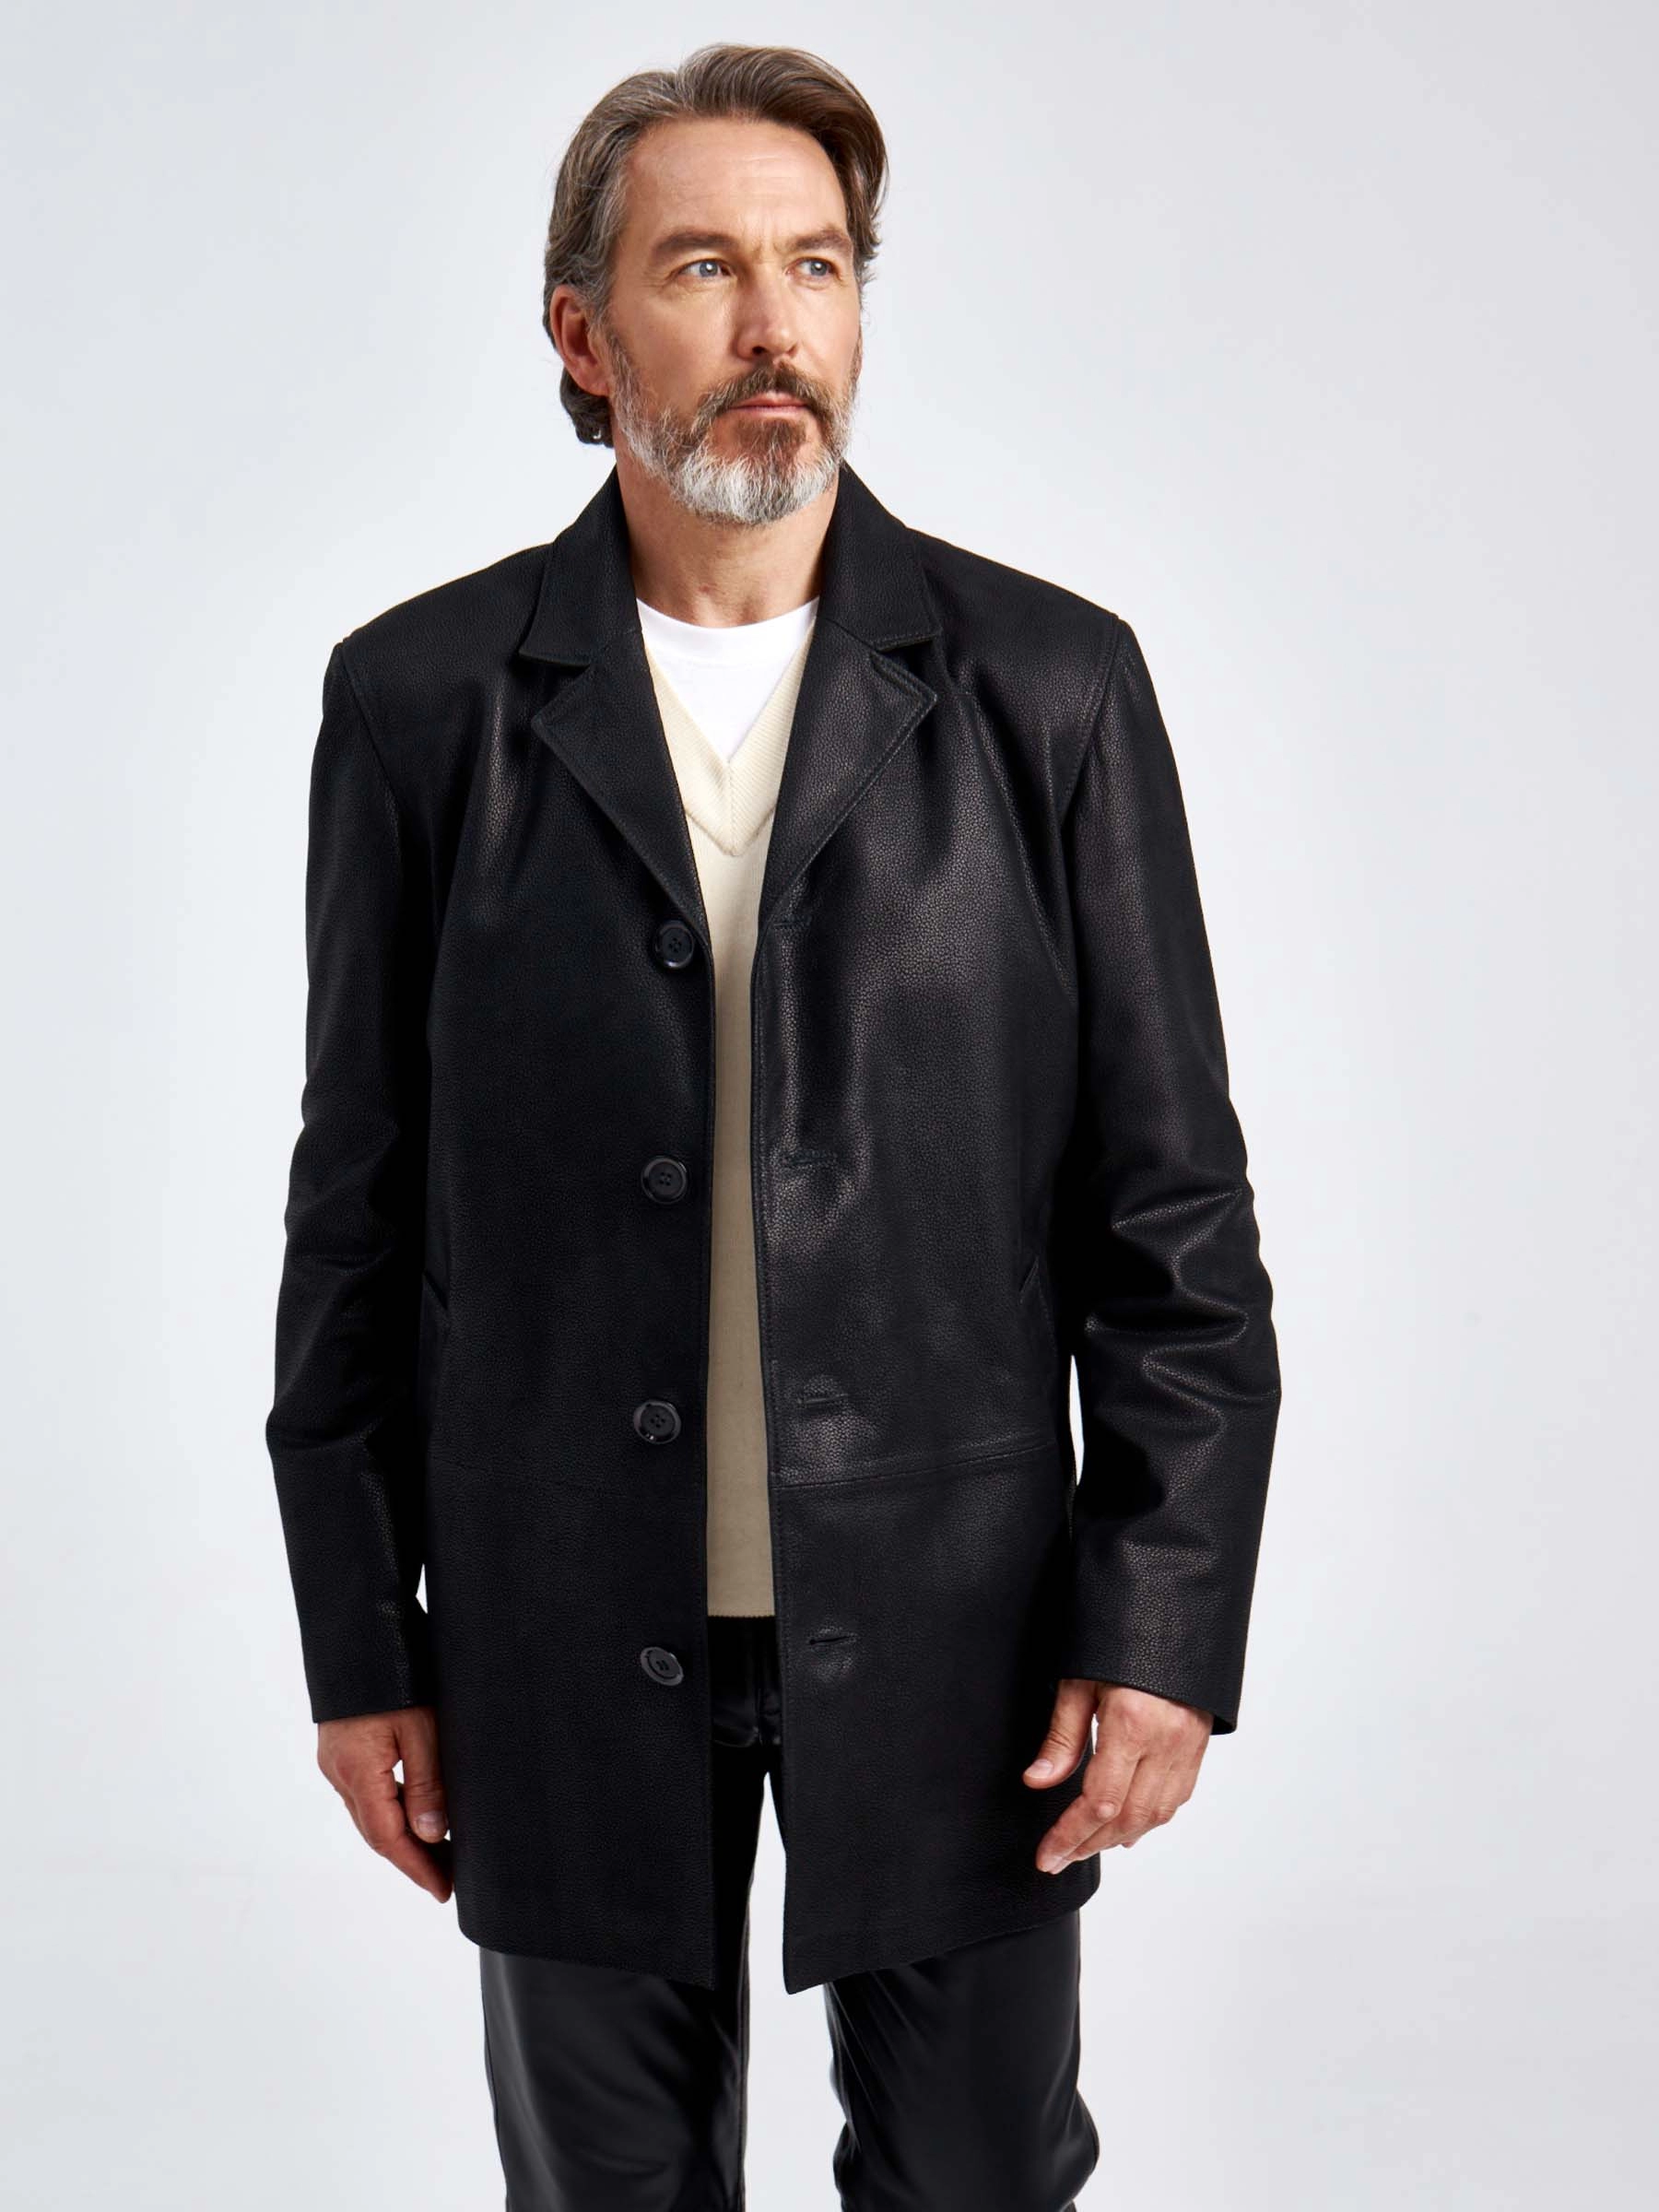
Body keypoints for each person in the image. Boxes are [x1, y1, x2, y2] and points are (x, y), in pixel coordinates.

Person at [265, 41, 1281, 2211]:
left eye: (817, 266)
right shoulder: (426, 705)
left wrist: (1165, 1622)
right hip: (553, 1611)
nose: (774, 325)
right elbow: (356, 1211)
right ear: (582, 334)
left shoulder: (1048, 691)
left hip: (961, 1621)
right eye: (704, 267)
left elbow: (1174, 1218)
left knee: (979, 2176)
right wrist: (363, 1641)